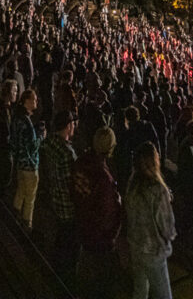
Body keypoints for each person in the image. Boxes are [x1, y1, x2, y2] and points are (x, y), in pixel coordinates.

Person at [72, 126, 123, 299]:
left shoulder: (80, 162)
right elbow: (107, 212)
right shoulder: (103, 177)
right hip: (100, 237)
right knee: (102, 281)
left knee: (86, 273)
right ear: (110, 148)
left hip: (82, 225)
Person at [125, 140, 176, 299]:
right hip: (153, 250)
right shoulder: (158, 190)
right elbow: (167, 226)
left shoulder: (133, 182)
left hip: (135, 245)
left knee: (140, 290)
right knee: (163, 295)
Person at [38, 109, 78, 284]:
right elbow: (74, 183)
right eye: (73, 124)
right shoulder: (67, 153)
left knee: (61, 236)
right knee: (70, 244)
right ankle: (64, 281)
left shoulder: (50, 143)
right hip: (68, 204)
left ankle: (55, 270)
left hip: (55, 197)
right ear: (68, 126)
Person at [11, 88, 43, 230]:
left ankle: (14, 214)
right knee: (30, 198)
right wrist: (41, 136)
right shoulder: (26, 122)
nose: (36, 101)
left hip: (19, 162)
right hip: (30, 165)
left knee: (21, 191)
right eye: (34, 99)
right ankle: (26, 224)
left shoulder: (17, 118)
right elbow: (32, 146)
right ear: (27, 102)